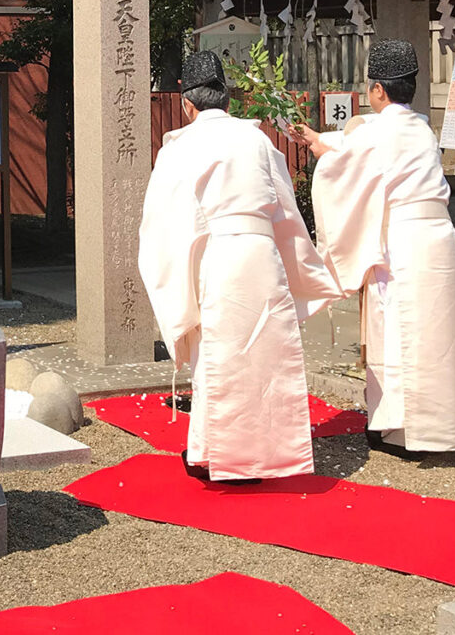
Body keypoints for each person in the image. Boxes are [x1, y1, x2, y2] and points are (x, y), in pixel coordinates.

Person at [138, 51, 345, 482]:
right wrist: (301, 269)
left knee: (216, 356)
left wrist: (178, 280)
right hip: (262, 253)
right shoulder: (258, 141)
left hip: (219, 254)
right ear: (227, 100)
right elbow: (286, 210)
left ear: (187, 104)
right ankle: (271, 456)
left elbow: (162, 222)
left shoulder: (181, 146)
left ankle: (213, 456)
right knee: (265, 355)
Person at [295, 39, 455, 457]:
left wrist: (320, 151)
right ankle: (447, 430)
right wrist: (329, 147)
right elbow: (358, 155)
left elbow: (344, 166)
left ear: (378, 90)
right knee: (441, 338)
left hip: (402, 244)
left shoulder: (379, 130)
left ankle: (399, 431)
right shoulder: (420, 127)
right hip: (438, 240)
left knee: (400, 334)